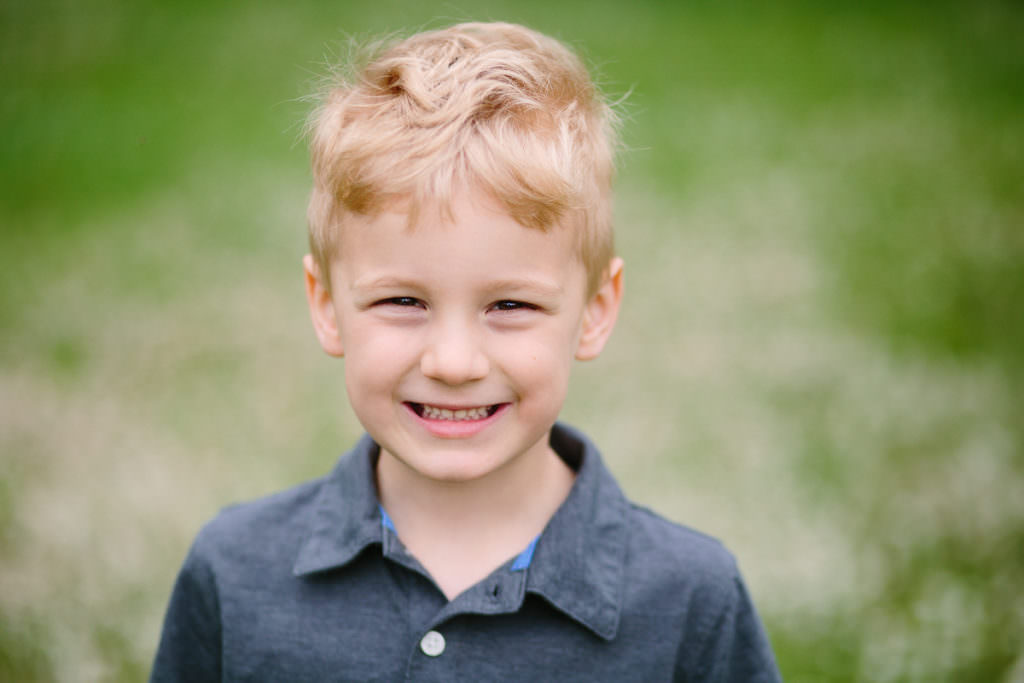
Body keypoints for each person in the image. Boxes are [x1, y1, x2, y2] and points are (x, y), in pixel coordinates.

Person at [150, 21, 781, 681]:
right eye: (403, 301)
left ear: (595, 310)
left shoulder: (690, 602)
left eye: (510, 305)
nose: (453, 362)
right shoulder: (233, 574)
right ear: (326, 304)